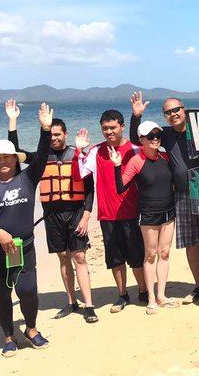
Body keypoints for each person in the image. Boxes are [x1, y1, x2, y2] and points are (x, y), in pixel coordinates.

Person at [0, 103, 54, 357]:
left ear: (16, 159)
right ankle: (9, 336)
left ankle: (31, 329)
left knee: (27, 290)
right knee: (2, 294)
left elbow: (42, 153)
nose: (3, 161)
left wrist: (46, 129)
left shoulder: (27, 178)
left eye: (8, 157)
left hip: (21, 247)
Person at [5, 100, 98, 324]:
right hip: (52, 216)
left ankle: (89, 305)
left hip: (75, 212)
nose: (55, 138)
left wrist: (86, 216)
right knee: (63, 258)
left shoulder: (77, 155)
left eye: (58, 134)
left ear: (65, 134)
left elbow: (89, 189)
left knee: (80, 257)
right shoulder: (40, 158)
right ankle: (70, 302)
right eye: (51, 134)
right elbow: (14, 153)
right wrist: (13, 121)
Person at [130, 93, 199, 305]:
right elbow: (139, 140)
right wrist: (136, 117)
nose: (173, 114)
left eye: (176, 110)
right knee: (191, 242)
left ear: (184, 110)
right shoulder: (167, 135)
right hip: (181, 194)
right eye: (168, 112)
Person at [75, 110, 147, 313]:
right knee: (115, 258)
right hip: (107, 214)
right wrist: (79, 152)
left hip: (132, 212)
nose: (109, 132)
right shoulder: (96, 151)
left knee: (136, 256)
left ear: (122, 127)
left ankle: (143, 290)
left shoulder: (135, 149)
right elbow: (79, 174)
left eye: (113, 127)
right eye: (105, 129)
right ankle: (123, 294)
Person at [110, 120, 180, 314]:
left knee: (164, 253)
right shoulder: (136, 160)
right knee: (150, 255)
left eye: (157, 135)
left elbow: (176, 179)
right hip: (148, 214)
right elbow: (120, 187)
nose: (155, 139)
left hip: (168, 211)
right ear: (141, 140)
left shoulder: (165, 157)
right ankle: (150, 298)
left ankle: (161, 295)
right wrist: (117, 166)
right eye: (150, 136)